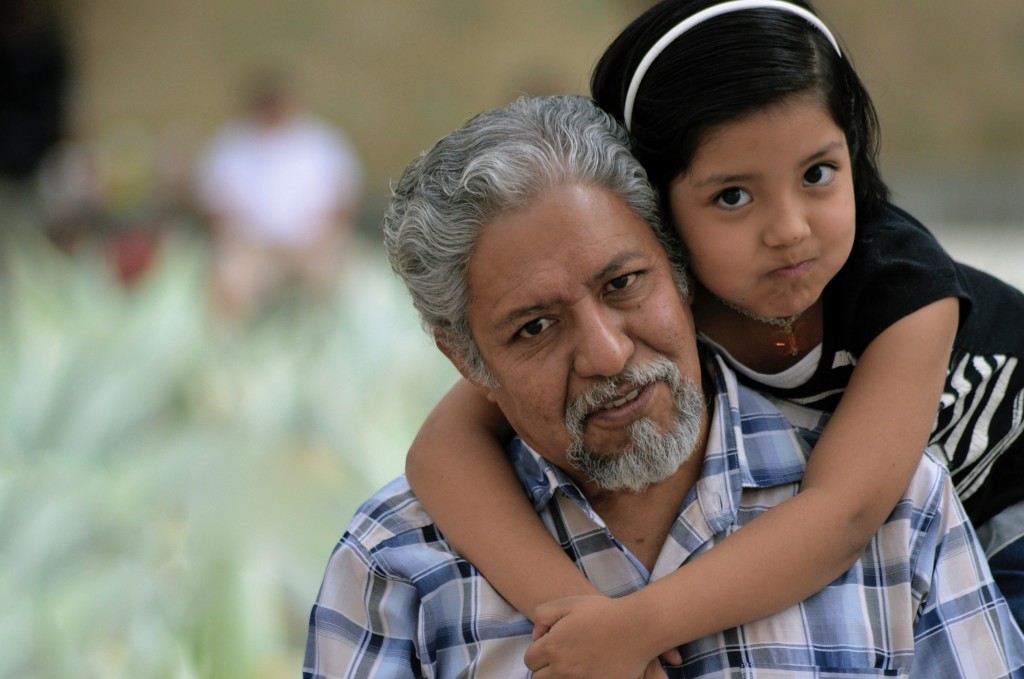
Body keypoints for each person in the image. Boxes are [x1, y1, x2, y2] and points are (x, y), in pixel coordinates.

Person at [303, 94, 1024, 679]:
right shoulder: (394, 567)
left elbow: (846, 511)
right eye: (535, 328)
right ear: (465, 361)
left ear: (679, 268)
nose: (608, 354)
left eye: (623, 284)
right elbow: (441, 448)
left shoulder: (904, 509)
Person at [196, 69, 364, 320]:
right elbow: (214, 210)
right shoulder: (229, 148)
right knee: (228, 280)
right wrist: (241, 242)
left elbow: (345, 201)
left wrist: (324, 239)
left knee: (348, 282)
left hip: (314, 247)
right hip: (251, 250)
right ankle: (230, 348)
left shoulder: (323, 143)